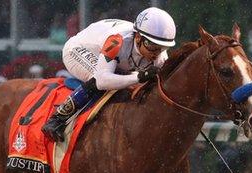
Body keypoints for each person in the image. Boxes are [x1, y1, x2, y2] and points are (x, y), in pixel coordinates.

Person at [42, 7, 176, 142]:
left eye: (162, 47)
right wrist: (139, 76)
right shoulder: (116, 40)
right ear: (138, 37)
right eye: (151, 45)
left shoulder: (160, 56)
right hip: (78, 49)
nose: (155, 53)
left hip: (113, 59)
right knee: (100, 79)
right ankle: (58, 118)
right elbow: (102, 80)